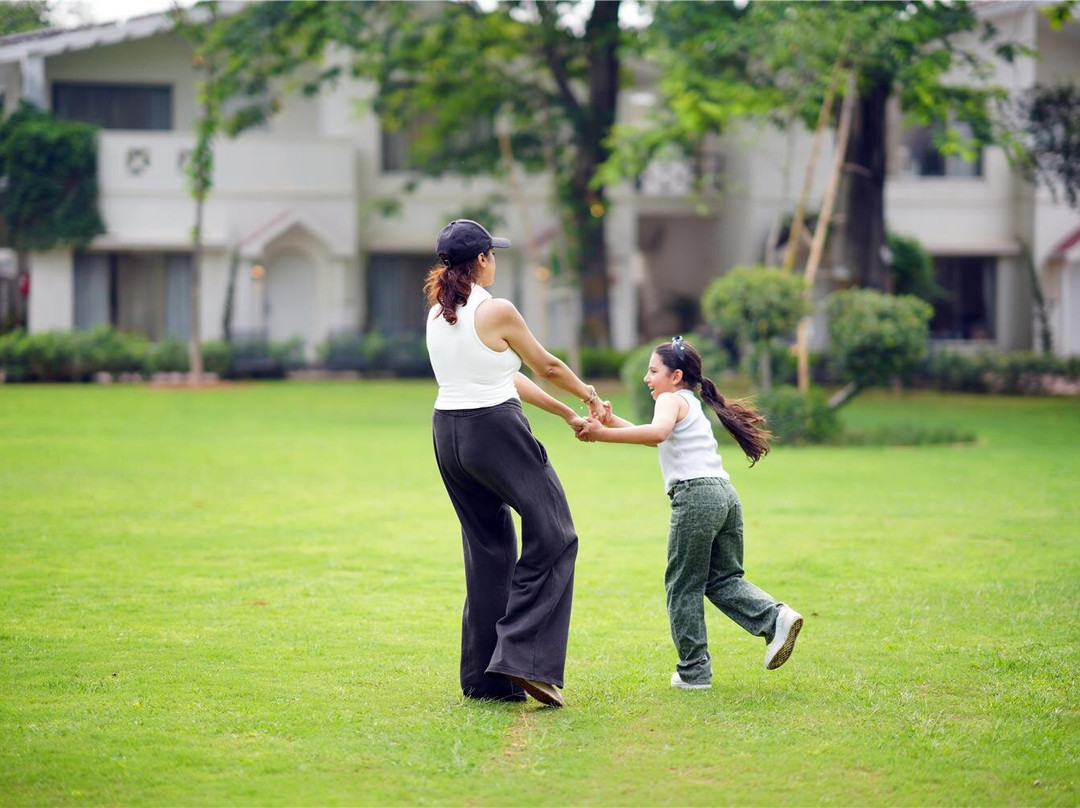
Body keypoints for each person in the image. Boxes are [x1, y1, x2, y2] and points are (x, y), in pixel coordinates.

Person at [424, 219, 607, 708]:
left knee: (490, 552)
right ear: (482, 259)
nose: (495, 261)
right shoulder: (497, 309)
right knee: (556, 531)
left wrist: (564, 411)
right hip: (494, 431)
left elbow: (507, 376)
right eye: (493, 254)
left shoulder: (440, 314)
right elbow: (543, 365)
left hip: (448, 434)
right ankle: (523, 661)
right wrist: (589, 395)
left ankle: (487, 681)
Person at [577, 336, 802, 690]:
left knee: (682, 586)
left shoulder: (669, 399)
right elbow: (657, 438)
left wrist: (601, 434)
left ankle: (694, 673)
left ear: (676, 375)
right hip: (724, 495)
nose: (647, 379)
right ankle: (775, 618)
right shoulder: (688, 402)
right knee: (722, 579)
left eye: (653, 371)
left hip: (696, 497)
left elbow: (658, 431)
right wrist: (611, 419)